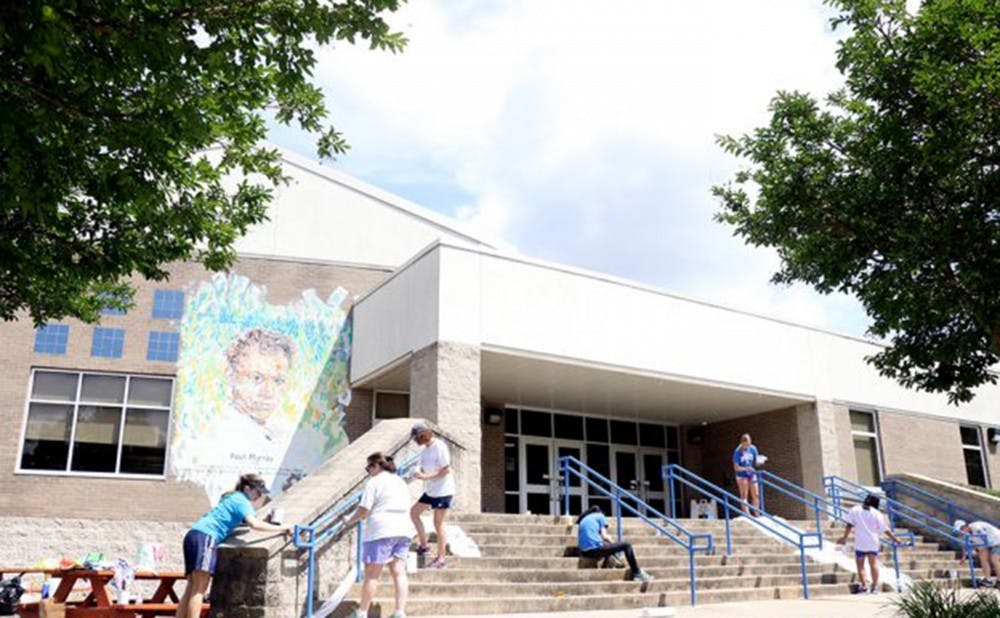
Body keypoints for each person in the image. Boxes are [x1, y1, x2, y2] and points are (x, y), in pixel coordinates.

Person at [177, 473, 294, 618]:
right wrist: (283, 528)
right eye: (258, 492)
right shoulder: (242, 501)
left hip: (194, 535)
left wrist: (265, 520)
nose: (259, 496)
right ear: (247, 488)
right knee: (199, 590)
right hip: (206, 537)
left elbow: (240, 520)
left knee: (191, 588)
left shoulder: (231, 497)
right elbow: (254, 525)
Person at [344, 453, 413, 618]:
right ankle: (399, 612)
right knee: (399, 571)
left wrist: (348, 521)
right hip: (403, 529)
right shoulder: (401, 482)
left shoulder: (374, 482)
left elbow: (363, 510)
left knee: (372, 573)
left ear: (377, 465)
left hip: (381, 529)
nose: (368, 471)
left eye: (369, 467)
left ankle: (362, 612)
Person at [409, 422, 455, 569]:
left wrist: (425, 476)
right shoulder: (424, 450)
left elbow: (445, 470)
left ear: (424, 435)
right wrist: (417, 471)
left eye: (417, 438)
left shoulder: (439, 446)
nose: (416, 441)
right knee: (414, 512)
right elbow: (419, 463)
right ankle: (424, 545)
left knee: (438, 523)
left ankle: (441, 559)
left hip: (443, 490)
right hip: (431, 490)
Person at [836, 494, 903, 594]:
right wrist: (895, 539)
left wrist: (844, 537)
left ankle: (864, 586)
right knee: (873, 564)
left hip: (860, 542)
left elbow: (849, 525)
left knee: (860, 565)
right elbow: (885, 530)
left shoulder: (855, 509)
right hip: (872, 541)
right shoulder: (876, 513)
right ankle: (874, 586)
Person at [576, 506, 653, 583]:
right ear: (601, 513)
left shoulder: (585, 519)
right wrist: (615, 545)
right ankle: (637, 573)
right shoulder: (600, 516)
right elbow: (605, 536)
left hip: (584, 552)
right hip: (594, 550)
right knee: (626, 545)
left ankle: (610, 561)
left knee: (606, 547)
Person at [955, 519, 1000, 587]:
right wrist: (963, 557)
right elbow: (964, 544)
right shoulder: (967, 534)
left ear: (965, 526)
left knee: (994, 559)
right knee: (982, 558)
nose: (960, 532)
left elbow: (985, 537)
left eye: (961, 529)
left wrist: (981, 548)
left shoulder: (976, 527)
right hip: (986, 543)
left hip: (997, 540)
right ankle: (988, 579)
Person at [732, 433, 760, 516]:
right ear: (742, 443)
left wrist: (760, 461)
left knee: (756, 494)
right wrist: (745, 468)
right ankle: (747, 514)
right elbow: (736, 467)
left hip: (751, 472)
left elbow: (756, 461)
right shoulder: (737, 451)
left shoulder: (753, 448)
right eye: (745, 445)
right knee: (744, 495)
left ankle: (757, 513)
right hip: (741, 474)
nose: (747, 447)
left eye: (748, 444)